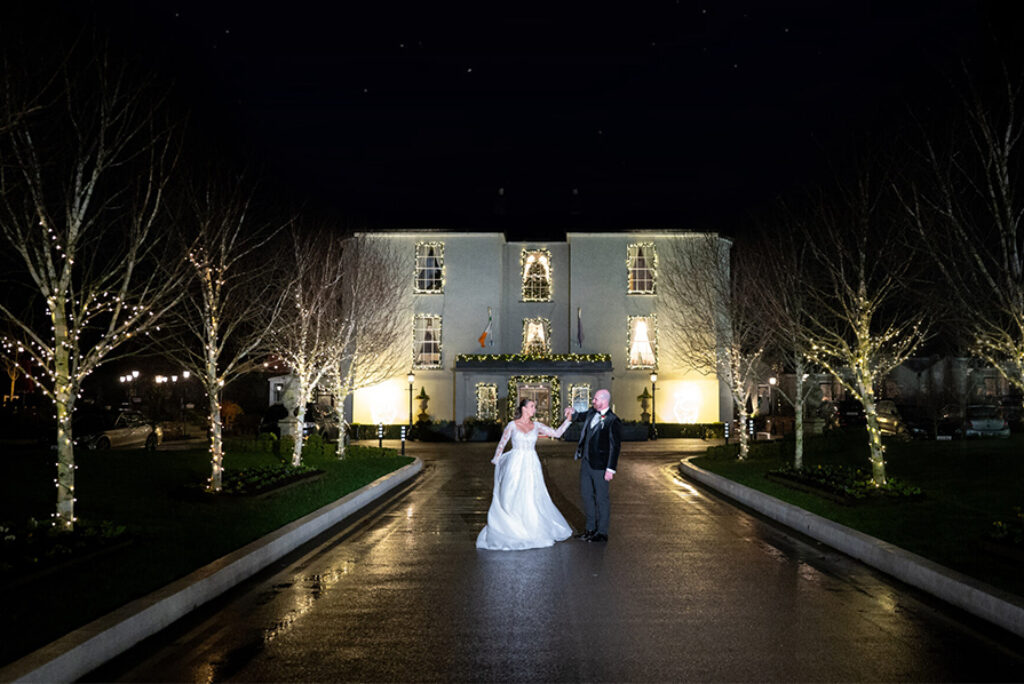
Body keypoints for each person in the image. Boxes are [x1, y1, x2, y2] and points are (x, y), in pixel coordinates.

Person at [476, 399, 575, 551]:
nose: (534, 409)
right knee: (512, 493)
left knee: (532, 494)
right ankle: (512, 527)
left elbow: (557, 433)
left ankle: (532, 527)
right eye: (532, 406)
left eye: (534, 407)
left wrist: (568, 420)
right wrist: (497, 459)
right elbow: (502, 443)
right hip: (515, 463)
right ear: (523, 409)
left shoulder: (536, 426)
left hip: (531, 464)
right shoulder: (512, 425)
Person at [572, 388, 621, 543]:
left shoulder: (613, 420)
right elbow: (578, 416)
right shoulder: (591, 413)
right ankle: (590, 528)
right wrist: (571, 411)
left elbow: (615, 446)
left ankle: (602, 532)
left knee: (601, 499)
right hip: (586, 462)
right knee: (586, 496)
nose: (593, 401)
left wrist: (610, 469)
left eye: (595, 399)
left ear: (604, 400)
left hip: (601, 466)